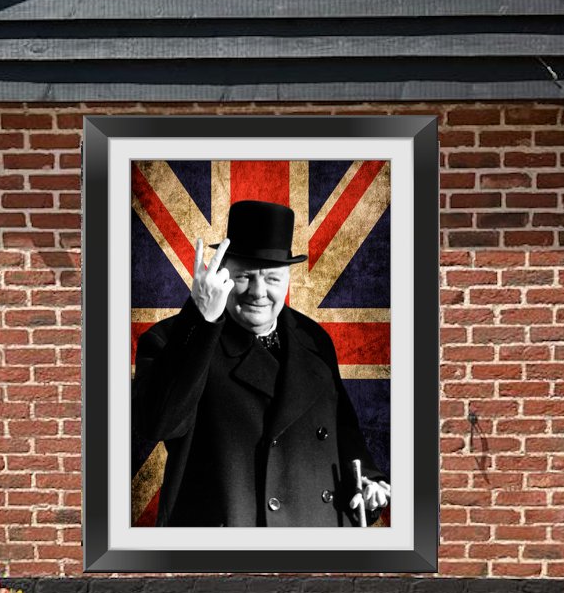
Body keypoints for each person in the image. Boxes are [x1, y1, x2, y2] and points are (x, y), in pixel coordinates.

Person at [133, 199, 390, 527]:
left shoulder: (314, 339)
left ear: (287, 280)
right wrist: (202, 320)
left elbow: (342, 431)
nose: (258, 292)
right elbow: (158, 424)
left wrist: (365, 482)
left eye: (271, 278)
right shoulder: (174, 338)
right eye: (244, 276)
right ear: (222, 275)